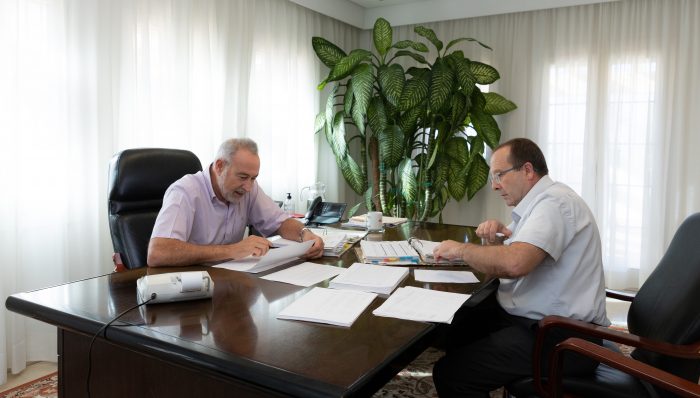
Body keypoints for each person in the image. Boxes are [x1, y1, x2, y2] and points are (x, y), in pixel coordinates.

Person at [431, 138, 609, 397]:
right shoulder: (541, 204)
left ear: (527, 170)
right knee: (456, 330)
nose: (494, 186)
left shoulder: (554, 204)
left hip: (562, 339)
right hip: (537, 322)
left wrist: (460, 249)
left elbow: (515, 263)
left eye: (499, 175)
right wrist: (501, 237)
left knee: (451, 374)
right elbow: (518, 250)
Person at [147, 138, 323, 267]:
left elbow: (279, 222)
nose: (248, 187)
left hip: (232, 281)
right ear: (219, 166)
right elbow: (158, 253)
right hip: (191, 289)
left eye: (253, 178)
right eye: (243, 177)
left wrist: (305, 234)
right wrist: (231, 250)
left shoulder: (248, 188)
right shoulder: (185, 192)